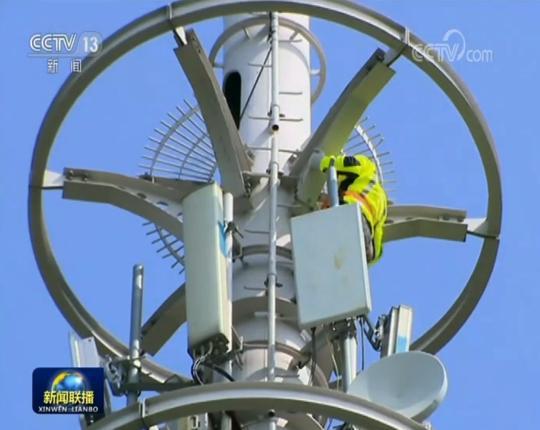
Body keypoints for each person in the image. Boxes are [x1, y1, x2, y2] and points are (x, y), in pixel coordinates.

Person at [320, 154, 388, 264]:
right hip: (365, 239)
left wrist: (321, 161)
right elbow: (377, 244)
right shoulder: (382, 201)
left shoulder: (367, 166)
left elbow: (344, 163)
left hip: (351, 214)